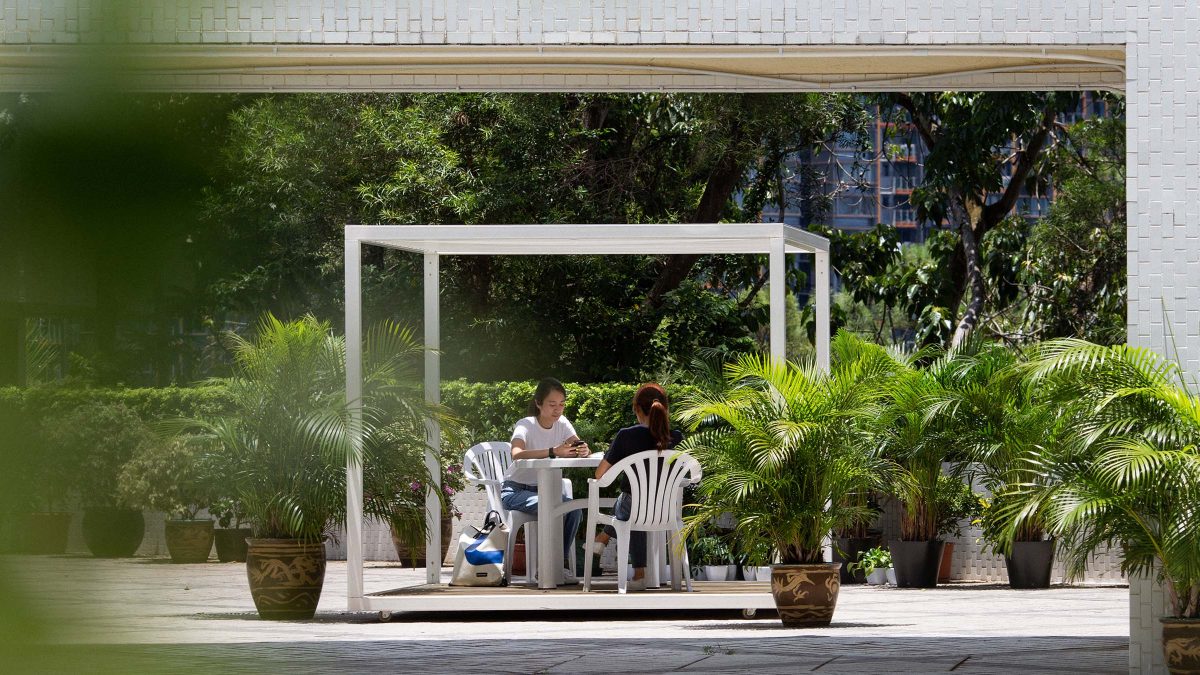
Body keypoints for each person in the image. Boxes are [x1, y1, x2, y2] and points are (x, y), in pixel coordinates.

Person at [589, 382, 682, 591]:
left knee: (630, 503)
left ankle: (602, 537)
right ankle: (638, 574)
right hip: (666, 509)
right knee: (635, 506)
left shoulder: (626, 435)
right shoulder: (676, 437)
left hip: (634, 506)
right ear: (665, 409)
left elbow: (599, 474)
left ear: (637, 409)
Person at [503, 377, 589, 584]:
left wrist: (583, 449)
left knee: (573, 510)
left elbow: (577, 444)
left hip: (545, 491)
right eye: (552, 404)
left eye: (562, 404)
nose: (557, 409)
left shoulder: (562, 424)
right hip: (515, 491)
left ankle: (557, 564)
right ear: (538, 403)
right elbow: (516, 453)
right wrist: (552, 451)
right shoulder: (526, 424)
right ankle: (548, 567)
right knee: (552, 506)